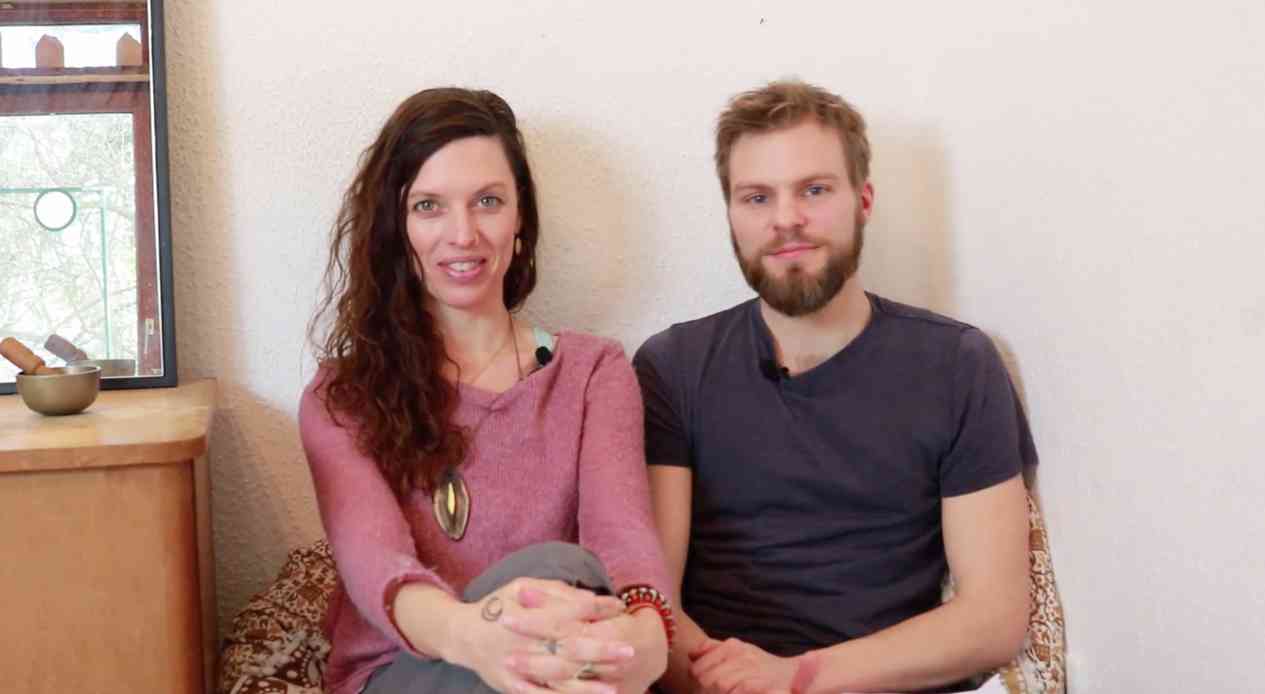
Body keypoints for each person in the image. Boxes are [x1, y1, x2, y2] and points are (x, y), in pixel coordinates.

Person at [634, 80, 1037, 694]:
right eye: (757, 197)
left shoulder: (958, 365)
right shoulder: (673, 367)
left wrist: (795, 680)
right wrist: (741, 686)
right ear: (731, 215)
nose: (786, 219)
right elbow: (652, 603)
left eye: (814, 190)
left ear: (863, 200)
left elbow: (994, 620)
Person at [301, 87, 673, 694]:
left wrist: (647, 647)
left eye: (488, 202)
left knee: (573, 581)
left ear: (520, 217)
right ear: (396, 227)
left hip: (563, 667)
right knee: (559, 568)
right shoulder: (341, 396)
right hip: (405, 674)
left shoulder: (594, 373)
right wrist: (481, 639)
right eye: (429, 206)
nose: (463, 233)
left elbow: (625, 543)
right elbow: (375, 565)